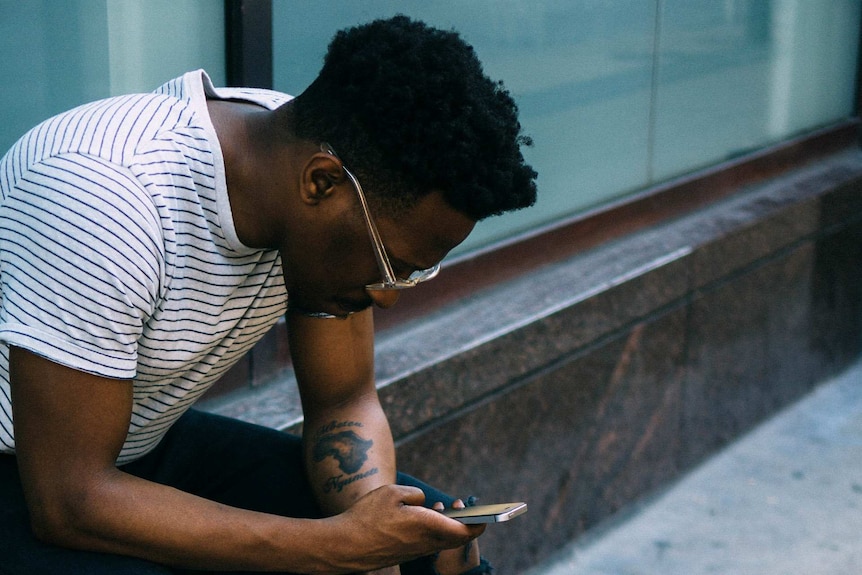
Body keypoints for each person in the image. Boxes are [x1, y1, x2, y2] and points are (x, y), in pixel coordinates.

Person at [0, 14, 537, 575]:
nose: (388, 299)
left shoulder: (327, 165)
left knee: (431, 550)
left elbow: (343, 401)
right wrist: (336, 549)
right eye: (391, 268)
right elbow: (68, 501)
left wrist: (376, 542)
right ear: (320, 184)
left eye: (412, 276)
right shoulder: (104, 199)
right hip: (39, 475)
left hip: (141, 444)